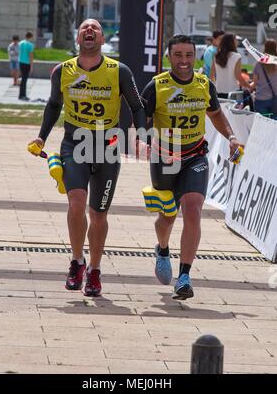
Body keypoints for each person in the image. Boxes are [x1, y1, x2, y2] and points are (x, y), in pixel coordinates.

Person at [28, 19, 146, 297]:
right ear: (78, 38)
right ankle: (77, 261)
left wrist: (140, 134)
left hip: (107, 146)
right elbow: (54, 105)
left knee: (99, 214)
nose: (89, 31)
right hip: (74, 143)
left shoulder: (119, 71)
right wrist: (42, 136)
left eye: (95, 28)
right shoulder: (62, 71)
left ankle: (94, 269)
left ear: (103, 40)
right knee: (76, 202)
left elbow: (137, 106)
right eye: (84, 28)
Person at [141, 35, 242, 300]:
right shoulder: (156, 86)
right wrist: (150, 141)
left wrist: (231, 136)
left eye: (188, 55)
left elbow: (216, 114)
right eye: (178, 55)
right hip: (165, 157)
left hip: (196, 155)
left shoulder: (203, 84)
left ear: (195, 56)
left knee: (194, 208)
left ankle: (184, 276)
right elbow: (142, 123)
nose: (184, 61)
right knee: (168, 216)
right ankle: (162, 249)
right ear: (168, 57)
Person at [210, 32, 251, 98]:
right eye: (235, 40)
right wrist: (248, 86)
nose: (237, 41)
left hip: (218, 91)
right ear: (232, 42)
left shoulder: (216, 56)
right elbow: (238, 76)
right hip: (232, 92)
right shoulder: (236, 56)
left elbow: (212, 75)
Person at [251, 39, 277, 118]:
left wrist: (248, 88)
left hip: (261, 98)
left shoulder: (258, 64)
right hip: (275, 99)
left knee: (261, 123)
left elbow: (254, 83)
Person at [18, 31, 34, 101]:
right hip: (27, 63)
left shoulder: (20, 43)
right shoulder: (30, 45)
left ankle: (21, 94)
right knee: (25, 80)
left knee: (22, 79)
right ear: (30, 37)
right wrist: (31, 65)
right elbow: (30, 56)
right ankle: (23, 95)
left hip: (21, 62)